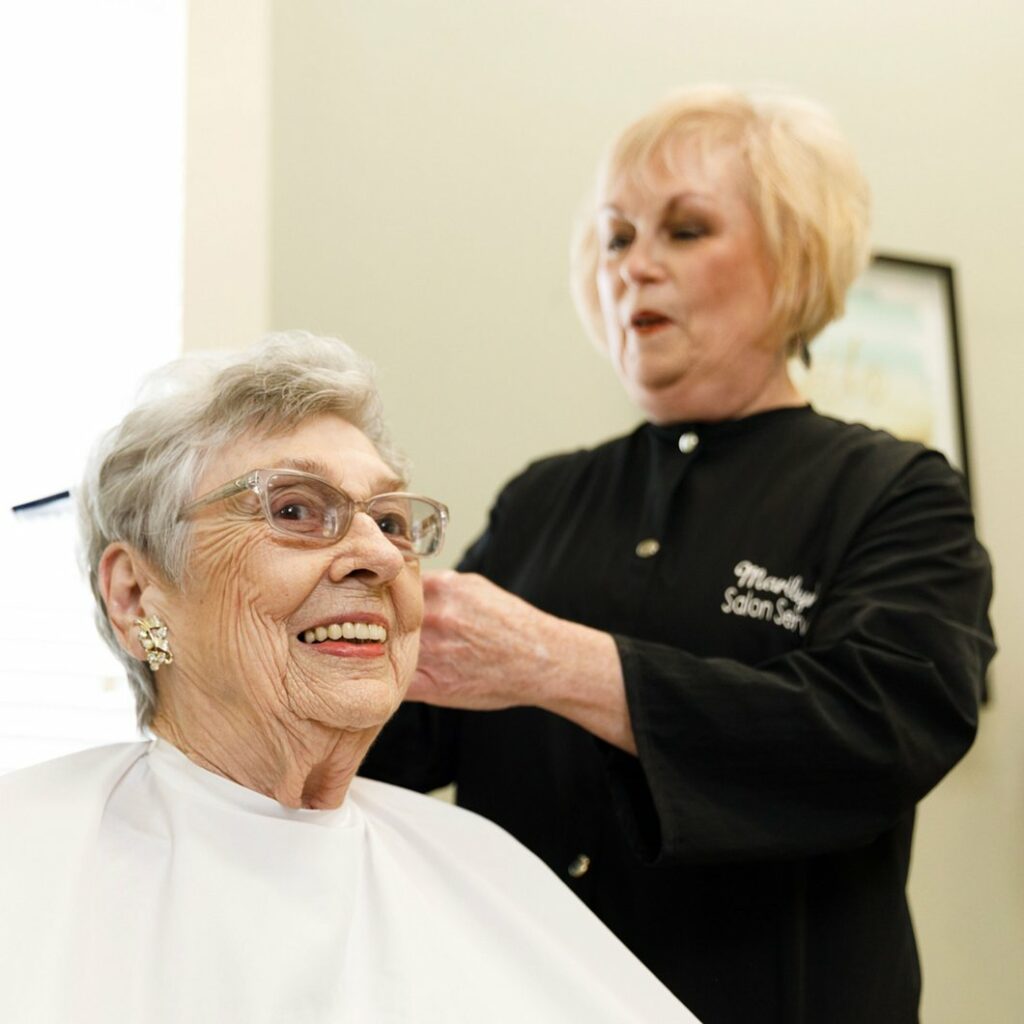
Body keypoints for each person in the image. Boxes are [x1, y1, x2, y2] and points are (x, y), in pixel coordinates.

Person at [360, 86, 997, 1023]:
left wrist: (557, 663)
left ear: (793, 259)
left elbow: (878, 733)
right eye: (616, 239)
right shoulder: (544, 498)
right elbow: (401, 740)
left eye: (685, 231)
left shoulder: (894, 492)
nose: (635, 268)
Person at [0, 333, 697, 1023]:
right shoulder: (26, 862)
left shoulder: (489, 871)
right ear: (134, 596)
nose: (378, 555)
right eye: (295, 510)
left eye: (391, 520)